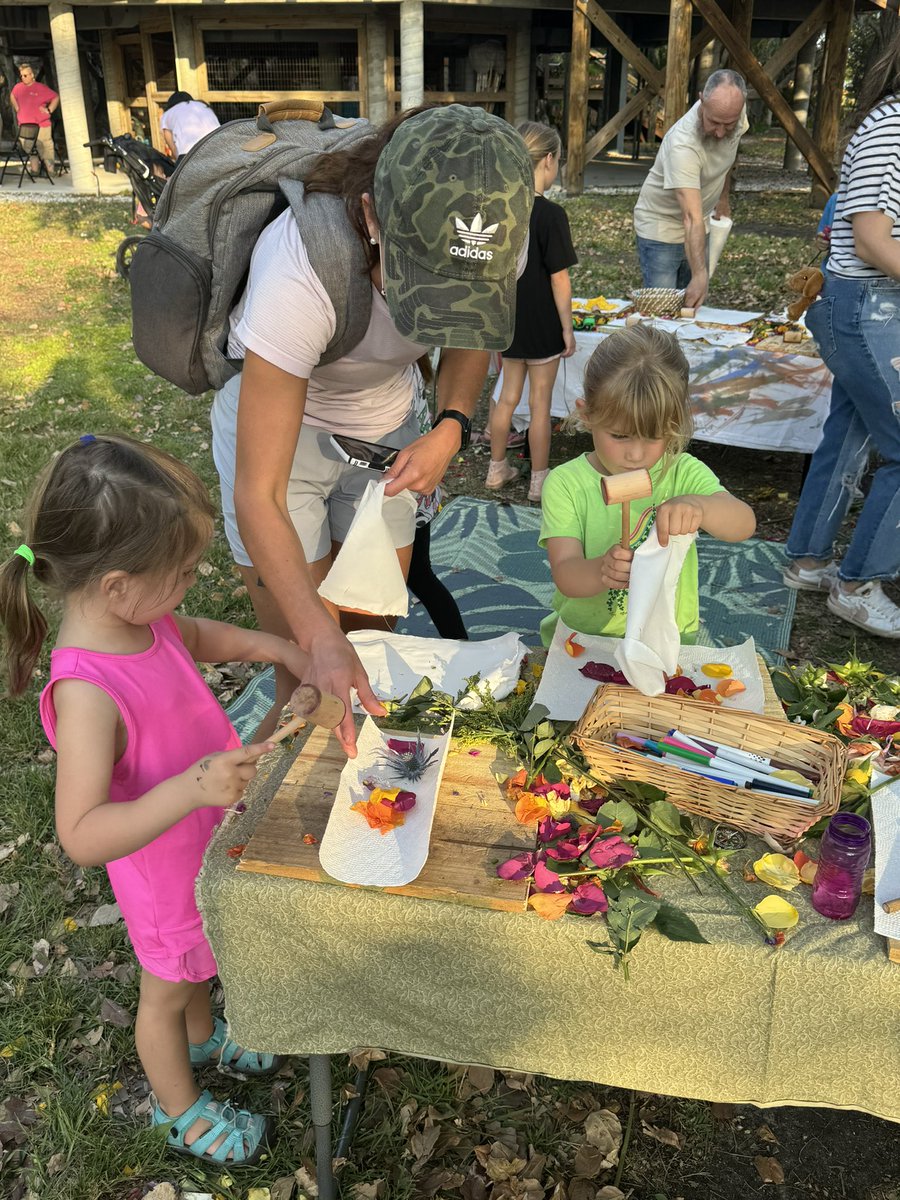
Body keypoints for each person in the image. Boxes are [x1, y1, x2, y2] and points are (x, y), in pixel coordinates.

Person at [0, 434, 320, 1165]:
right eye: (180, 573)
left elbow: (199, 635)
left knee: (200, 960)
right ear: (115, 586)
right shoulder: (87, 691)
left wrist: (274, 648)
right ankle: (181, 1109)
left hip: (200, 839)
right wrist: (190, 787)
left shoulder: (144, 621)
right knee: (166, 990)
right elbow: (80, 833)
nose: (192, 581)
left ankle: (206, 1040)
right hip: (161, 869)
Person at [210, 104, 533, 751]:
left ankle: (363, 796)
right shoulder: (300, 266)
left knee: (372, 640)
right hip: (285, 451)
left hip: (387, 438)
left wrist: (448, 426)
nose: (436, 309)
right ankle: (274, 820)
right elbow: (260, 494)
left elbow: (470, 333)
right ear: (370, 216)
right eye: (421, 283)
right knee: (308, 674)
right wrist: (317, 637)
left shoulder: (497, 232)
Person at [783, 33, 900, 639]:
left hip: (870, 305)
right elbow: (872, 239)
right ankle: (857, 586)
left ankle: (810, 561)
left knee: (853, 432)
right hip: (865, 305)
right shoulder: (892, 124)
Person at [538, 324, 756, 647]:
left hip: (666, 641)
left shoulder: (680, 472)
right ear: (587, 415)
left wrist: (700, 506)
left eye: (653, 437)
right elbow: (566, 572)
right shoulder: (566, 484)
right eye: (620, 435)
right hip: (585, 641)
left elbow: (743, 523)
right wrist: (602, 570)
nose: (636, 455)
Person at [485, 121, 577, 503]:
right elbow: (560, 280)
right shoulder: (552, 216)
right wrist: (567, 329)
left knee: (506, 398)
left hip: (506, 322)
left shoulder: (498, 210)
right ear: (549, 160)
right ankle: (539, 481)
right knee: (541, 404)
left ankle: (495, 470)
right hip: (542, 326)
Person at [633, 69, 748, 310]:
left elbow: (727, 158)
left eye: (728, 124)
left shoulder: (733, 112)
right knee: (662, 312)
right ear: (702, 101)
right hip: (661, 226)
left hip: (699, 223)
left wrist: (723, 199)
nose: (720, 132)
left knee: (691, 310)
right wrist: (699, 274)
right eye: (714, 122)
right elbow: (690, 217)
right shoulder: (682, 145)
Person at [10, 61, 58, 178]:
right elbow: (12, 95)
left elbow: (55, 97)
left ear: (32, 75)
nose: (23, 78)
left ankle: (51, 170)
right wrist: (16, 107)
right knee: (30, 149)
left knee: (45, 147)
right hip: (25, 126)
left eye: (25, 75)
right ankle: (35, 170)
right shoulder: (18, 87)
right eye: (21, 75)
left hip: (41, 125)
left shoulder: (41, 88)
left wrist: (50, 109)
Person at [160, 91, 220, 160]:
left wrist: (178, 162)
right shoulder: (204, 106)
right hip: (218, 148)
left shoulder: (168, 114)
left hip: (189, 154)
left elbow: (171, 144)